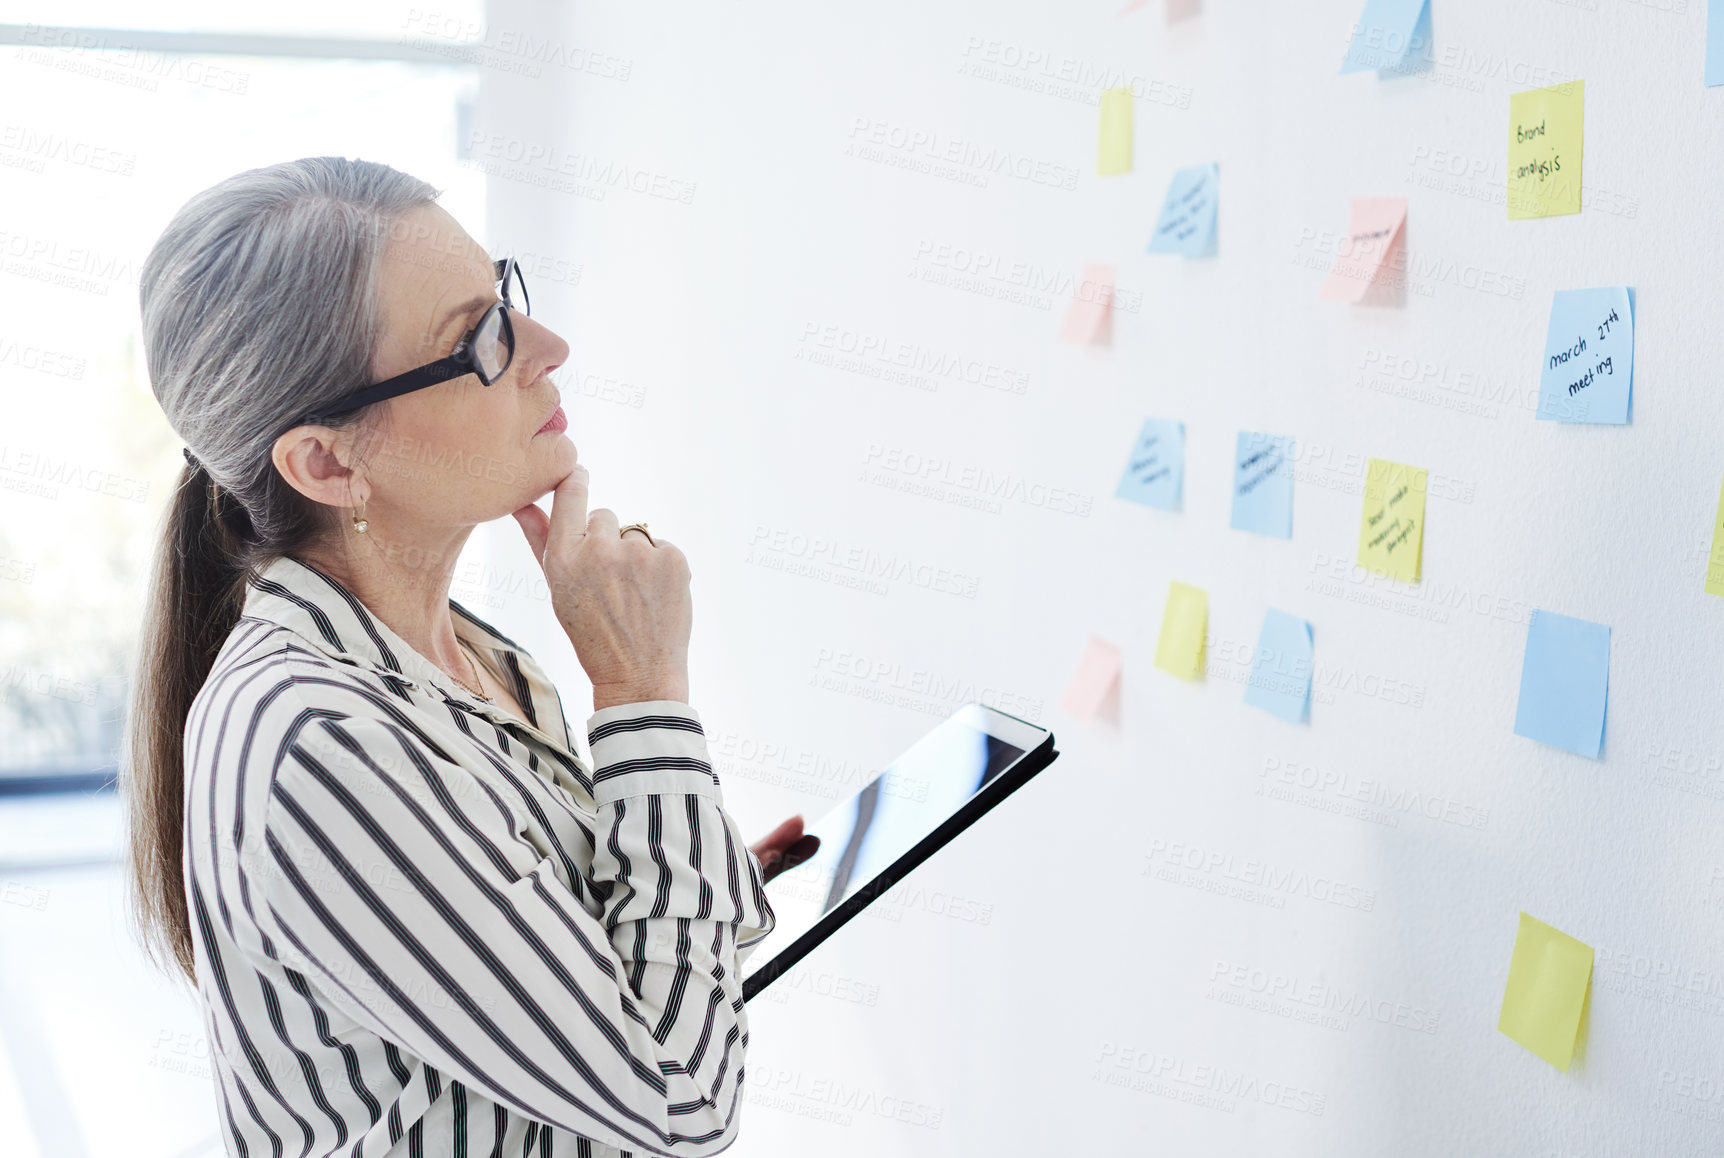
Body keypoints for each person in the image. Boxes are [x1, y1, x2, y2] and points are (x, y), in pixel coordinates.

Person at [123, 156, 817, 1157]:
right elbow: (681, 1111)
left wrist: (676, 862)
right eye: (478, 338)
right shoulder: (316, 743)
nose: (547, 346)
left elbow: (540, 983)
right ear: (327, 461)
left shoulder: (470, 659)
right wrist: (643, 694)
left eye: (506, 299)